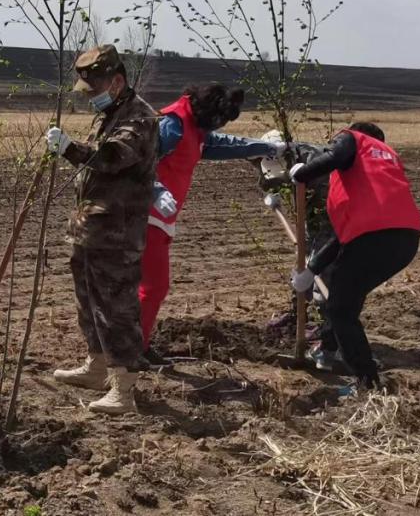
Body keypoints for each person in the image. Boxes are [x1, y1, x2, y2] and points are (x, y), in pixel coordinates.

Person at [46, 45, 158, 415]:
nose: (91, 97)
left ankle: (123, 389)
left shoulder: (139, 118)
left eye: (96, 89)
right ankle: (96, 367)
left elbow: (110, 157)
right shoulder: (112, 113)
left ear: (118, 81)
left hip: (118, 233)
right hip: (92, 228)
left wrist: (69, 149)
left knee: (117, 306)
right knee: (89, 301)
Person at [140, 85, 288, 364]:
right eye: (217, 120)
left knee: (149, 287)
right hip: (146, 215)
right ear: (205, 110)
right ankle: (133, 349)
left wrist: (263, 147)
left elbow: (219, 145)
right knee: (153, 287)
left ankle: (133, 345)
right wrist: (156, 192)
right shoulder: (172, 125)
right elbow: (141, 161)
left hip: (160, 218)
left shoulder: (194, 127)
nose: (218, 126)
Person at [289, 122, 420, 390]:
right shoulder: (380, 171)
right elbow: (345, 236)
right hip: (405, 241)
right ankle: (330, 350)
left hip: (372, 240)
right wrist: (311, 271)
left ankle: (366, 381)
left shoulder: (353, 139)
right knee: (345, 300)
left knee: (340, 307)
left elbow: (336, 154)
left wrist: (302, 173)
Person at [258, 132, 337, 369]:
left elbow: (325, 216)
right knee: (302, 270)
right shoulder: (271, 156)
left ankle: (330, 337)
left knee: (324, 277)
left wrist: (315, 257)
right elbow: (267, 179)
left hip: (330, 219)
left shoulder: (317, 163)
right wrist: (273, 195)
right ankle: (298, 317)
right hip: (311, 218)